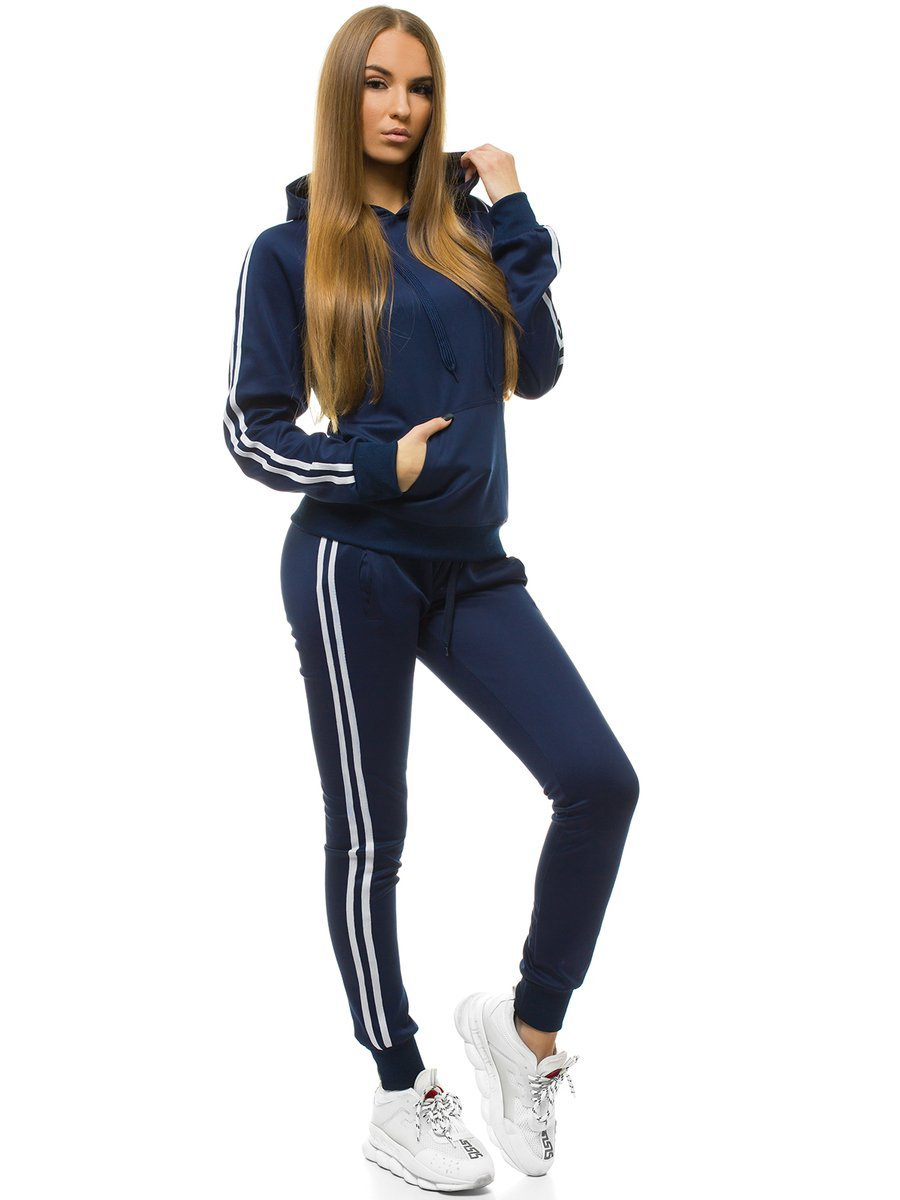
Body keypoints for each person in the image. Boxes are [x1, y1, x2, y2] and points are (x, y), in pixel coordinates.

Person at [223, 6, 640, 1189]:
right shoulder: (288, 250)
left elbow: (539, 369)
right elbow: (250, 430)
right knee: (372, 835)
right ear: (342, 97)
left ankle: (525, 1033)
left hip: (470, 564)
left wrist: (513, 210)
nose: (400, 107)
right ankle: (400, 1090)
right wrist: (374, 466)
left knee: (600, 781)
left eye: (418, 86)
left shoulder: (465, 231)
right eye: (376, 84)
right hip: (352, 562)